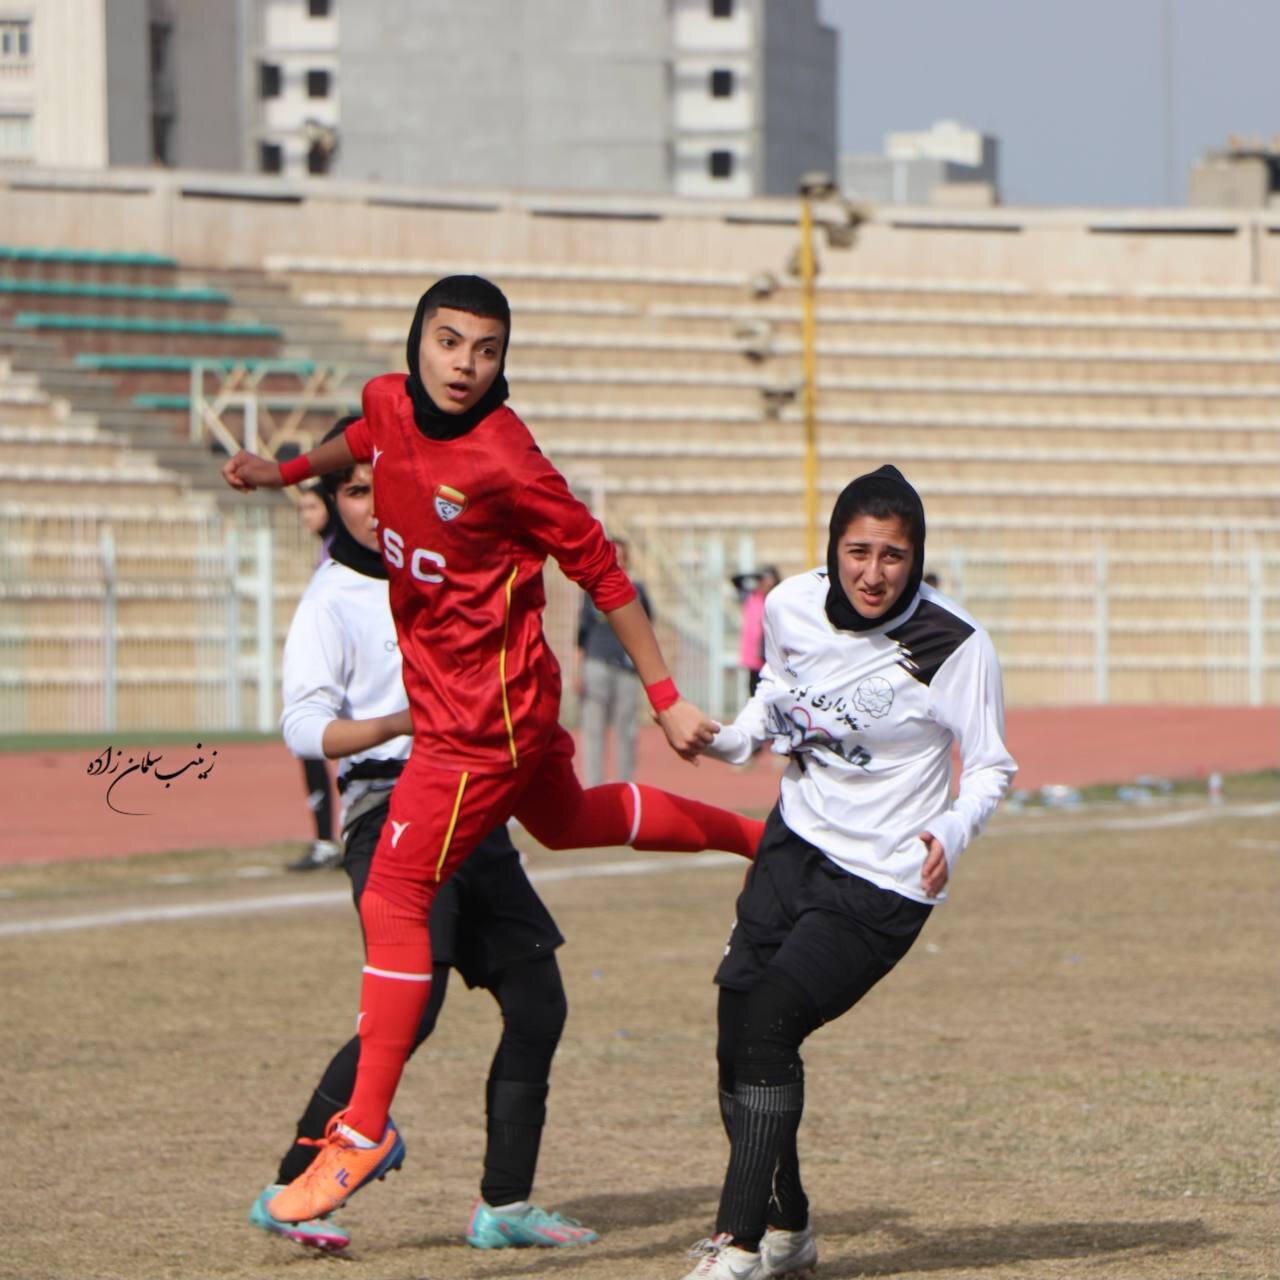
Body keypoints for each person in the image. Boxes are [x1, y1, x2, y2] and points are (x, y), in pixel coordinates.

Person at [221, 274, 765, 1227]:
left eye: (486, 348)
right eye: (450, 342)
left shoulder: (508, 458)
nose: (467, 364)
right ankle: (765, 839)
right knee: (566, 819)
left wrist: (666, 696)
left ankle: (363, 1131)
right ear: (418, 343)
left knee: (394, 892)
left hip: (483, 720)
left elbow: (602, 569)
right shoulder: (390, 402)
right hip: (490, 703)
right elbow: (363, 438)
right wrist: (287, 471)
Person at [248, 420, 596, 1252]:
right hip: (389, 812)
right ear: (330, 503)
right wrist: (407, 721)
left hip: (474, 807)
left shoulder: (447, 565)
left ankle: (504, 1207)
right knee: (413, 1007)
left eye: (381, 485)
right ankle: (291, 1186)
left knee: (538, 1000)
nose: (373, 507)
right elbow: (303, 728)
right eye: (354, 491)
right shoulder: (332, 598)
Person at [682, 465, 1016, 1280]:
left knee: (770, 1025)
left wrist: (951, 827)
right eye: (858, 551)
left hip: (882, 879)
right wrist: (736, 738)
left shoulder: (955, 644)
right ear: (833, 549)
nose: (873, 572)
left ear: (917, 557)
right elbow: (779, 689)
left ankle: (736, 1245)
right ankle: (788, 1229)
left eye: (893, 556)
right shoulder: (792, 604)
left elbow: (992, 766)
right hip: (794, 842)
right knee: (737, 1040)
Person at [290, 481, 342, 871]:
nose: (305, 515)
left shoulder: (339, 548)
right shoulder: (330, 547)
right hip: (330, 660)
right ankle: (327, 839)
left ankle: (330, 840)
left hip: (342, 665)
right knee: (309, 744)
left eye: (311, 506)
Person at [576, 537, 651, 787]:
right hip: (596, 665)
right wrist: (579, 672)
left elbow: (646, 632)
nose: (617, 559)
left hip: (626, 669)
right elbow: (581, 636)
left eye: (622, 555)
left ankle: (626, 786)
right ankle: (593, 788)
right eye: (613, 554)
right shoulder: (591, 589)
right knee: (593, 730)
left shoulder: (638, 591)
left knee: (626, 732)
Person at [732, 567, 780, 696]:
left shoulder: (777, 597)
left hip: (771, 654)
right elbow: (736, 580)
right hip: (755, 656)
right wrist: (754, 575)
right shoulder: (752, 597)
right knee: (754, 691)